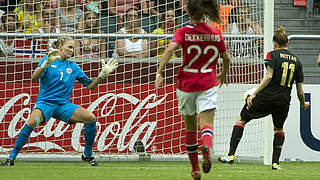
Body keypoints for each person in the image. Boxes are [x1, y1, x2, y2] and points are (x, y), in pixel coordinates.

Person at [1, 36, 118, 166]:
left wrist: (102, 75)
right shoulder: (48, 59)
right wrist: (44, 65)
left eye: (73, 48)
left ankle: (88, 155)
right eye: (69, 47)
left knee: (90, 118)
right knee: (33, 121)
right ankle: (11, 158)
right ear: (60, 47)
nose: (72, 50)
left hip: (63, 105)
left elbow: (90, 85)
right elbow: (34, 79)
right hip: (45, 103)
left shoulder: (73, 66)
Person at [155, 0, 230, 179]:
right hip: (208, 83)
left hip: (186, 84)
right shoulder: (215, 32)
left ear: (188, 11)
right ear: (205, 11)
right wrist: (223, 74)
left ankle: (195, 169)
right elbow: (226, 57)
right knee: (206, 124)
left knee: (190, 128)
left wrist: (159, 72)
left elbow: (170, 49)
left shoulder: (183, 32)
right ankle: (206, 147)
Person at [218, 26, 310, 170]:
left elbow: (269, 76)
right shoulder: (297, 61)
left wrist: (254, 93)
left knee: (241, 120)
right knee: (278, 129)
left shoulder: (271, 55)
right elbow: (299, 90)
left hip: (267, 97)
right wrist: (303, 103)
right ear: (288, 43)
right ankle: (275, 163)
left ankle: (230, 155)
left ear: (274, 42)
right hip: (283, 101)